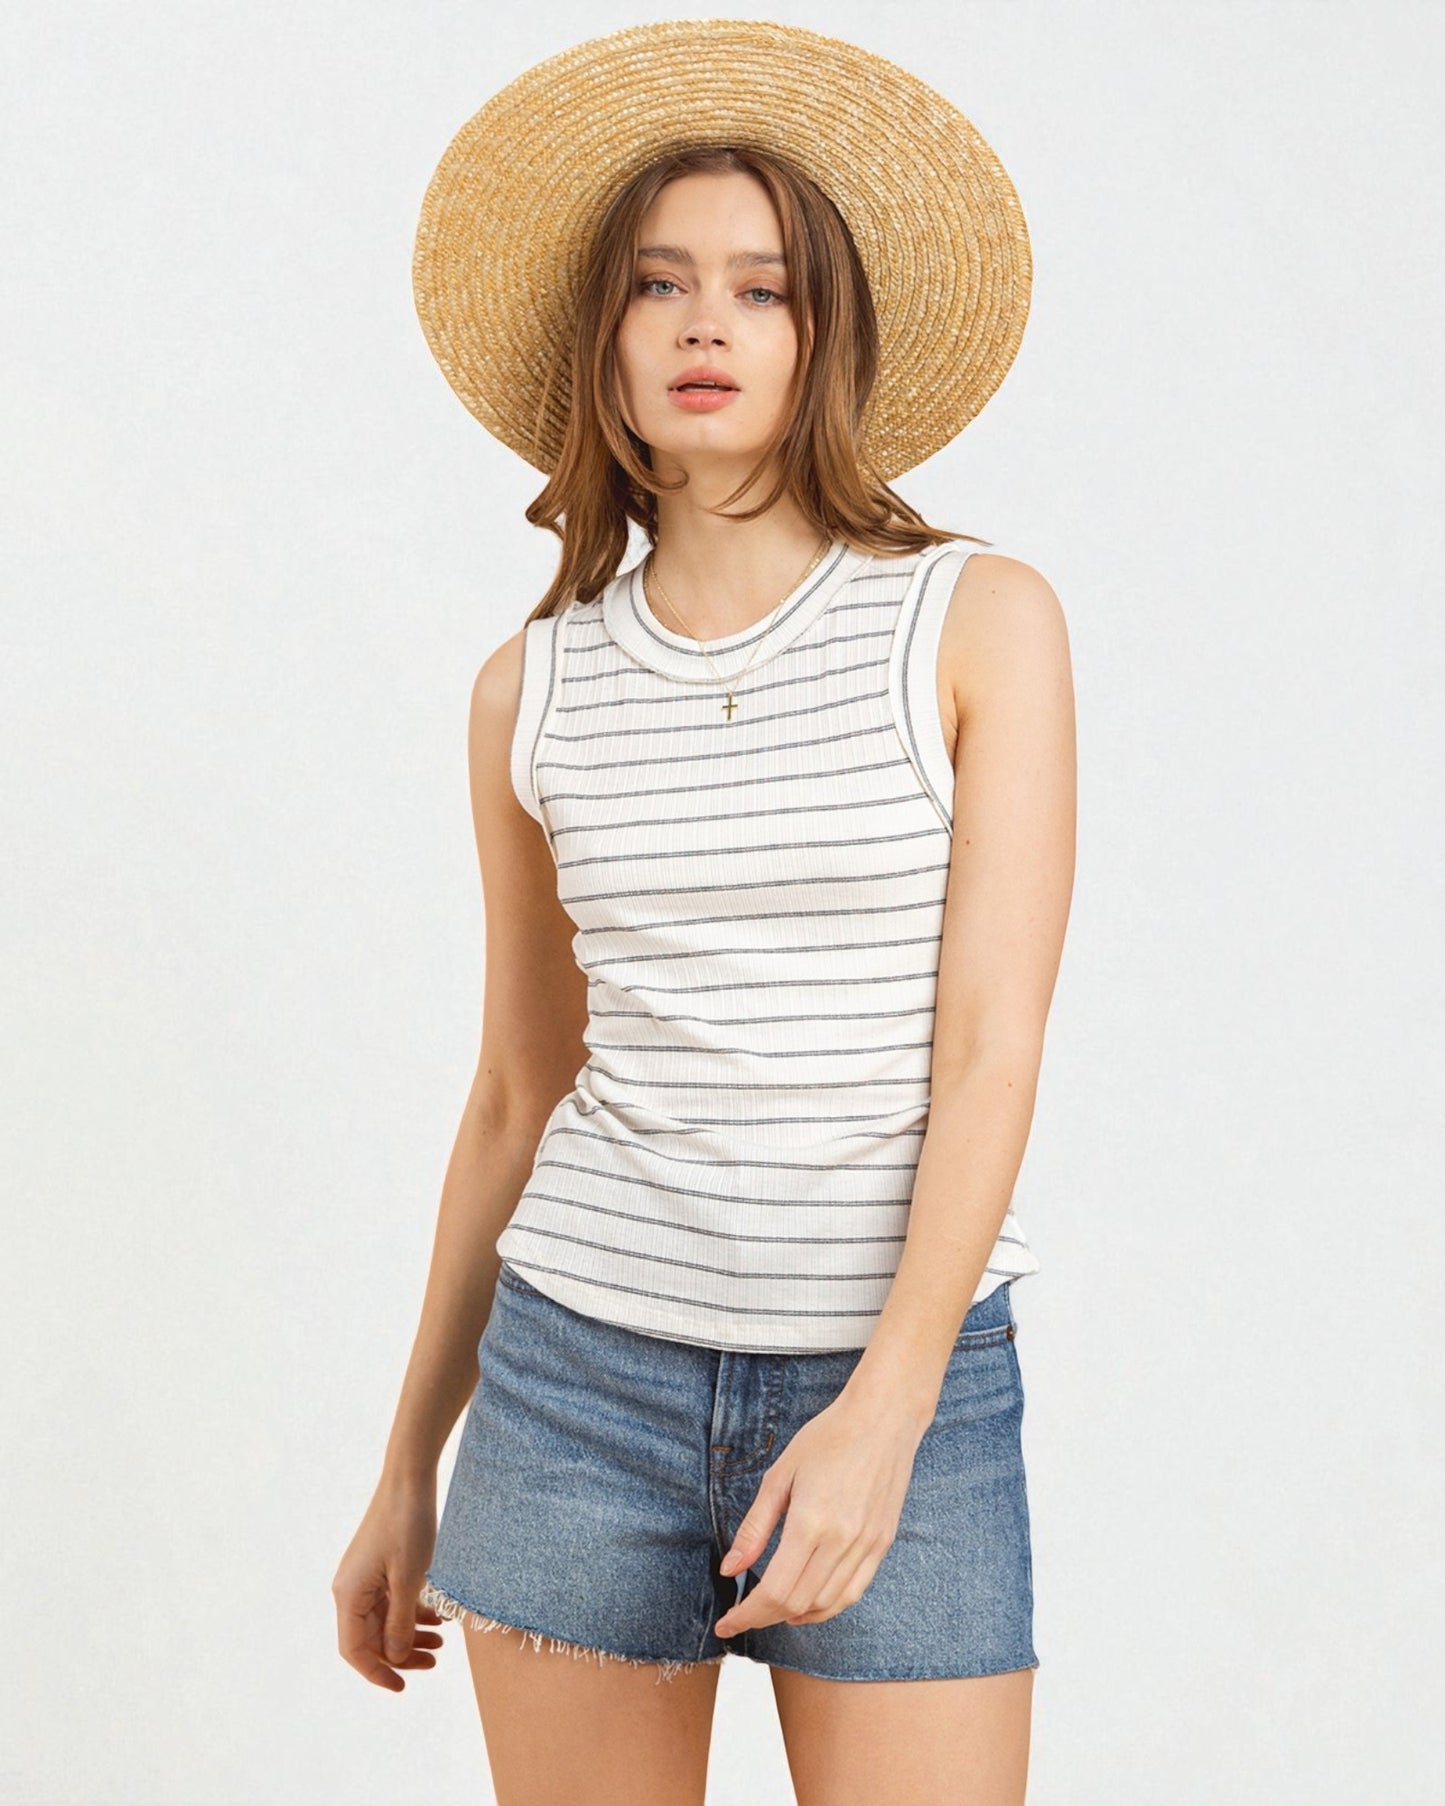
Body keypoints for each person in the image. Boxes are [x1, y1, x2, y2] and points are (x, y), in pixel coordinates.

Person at [333, 20, 1074, 1804]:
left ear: (820, 337)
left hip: (906, 1378)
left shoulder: (975, 623)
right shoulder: (535, 690)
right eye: (657, 286)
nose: (701, 323)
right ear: (603, 341)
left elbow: (986, 1049)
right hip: (576, 1389)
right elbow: (519, 1086)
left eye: (758, 287)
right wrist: (405, 1460)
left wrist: (884, 1413)